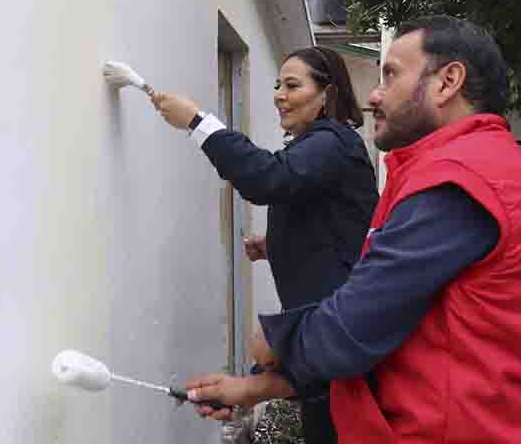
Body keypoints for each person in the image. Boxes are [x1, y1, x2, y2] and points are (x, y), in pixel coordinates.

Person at [184, 16, 521, 444]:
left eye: (391, 74)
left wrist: (275, 343)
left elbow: (355, 327)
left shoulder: (459, 179)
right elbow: (403, 334)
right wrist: (256, 387)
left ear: (448, 82)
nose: (374, 95)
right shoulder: (469, 168)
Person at [150, 46, 378, 444]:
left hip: (340, 343)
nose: (278, 94)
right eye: (277, 85)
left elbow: (268, 178)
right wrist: (278, 244)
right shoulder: (326, 148)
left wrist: (198, 123)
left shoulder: (332, 143)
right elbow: (341, 231)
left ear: (328, 94)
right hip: (328, 346)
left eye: (292, 85)